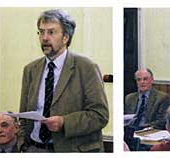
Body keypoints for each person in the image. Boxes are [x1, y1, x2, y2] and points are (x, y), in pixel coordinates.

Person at [19, 9, 109, 152]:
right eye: (41, 32)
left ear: (66, 37)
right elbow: (23, 115)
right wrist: (22, 145)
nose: (44, 38)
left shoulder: (86, 68)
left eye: (51, 32)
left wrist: (64, 122)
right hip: (35, 149)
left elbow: (100, 115)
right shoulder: (31, 70)